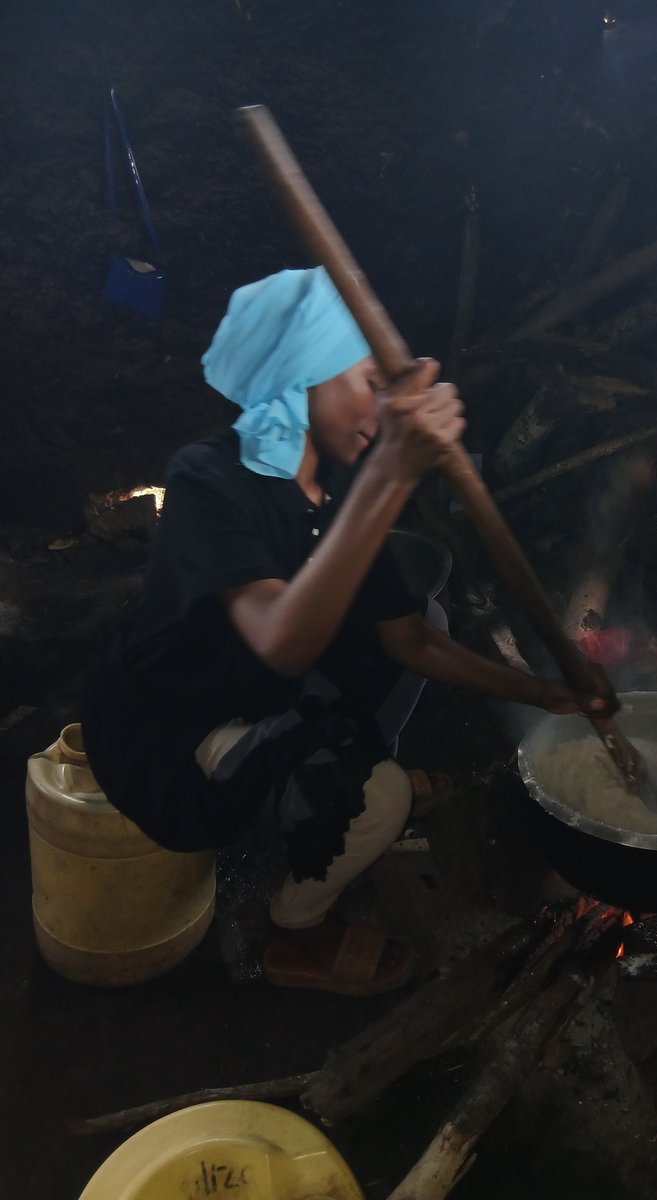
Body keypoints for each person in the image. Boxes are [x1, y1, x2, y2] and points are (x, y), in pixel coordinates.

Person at [81, 267, 610, 996]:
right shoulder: (211, 482)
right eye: (361, 380)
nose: (382, 404)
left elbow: (411, 642)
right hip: (170, 727)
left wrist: (542, 691)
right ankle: (293, 926)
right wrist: (394, 472)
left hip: (258, 686)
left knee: (427, 617)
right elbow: (282, 643)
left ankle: (328, 790)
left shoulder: (335, 489)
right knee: (379, 797)